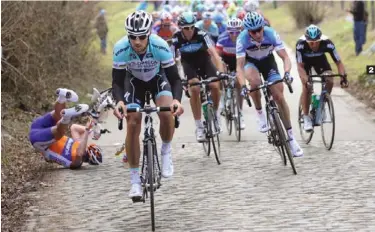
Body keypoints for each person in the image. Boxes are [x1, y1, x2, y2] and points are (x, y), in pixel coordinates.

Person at [112, 10, 184, 199]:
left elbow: (175, 79)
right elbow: (117, 82)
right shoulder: (121, 48)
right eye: (133, 37)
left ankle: (166, 150)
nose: (137, 41)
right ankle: (135, 180)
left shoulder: (160, 46)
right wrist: (119, 102)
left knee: (167, 113)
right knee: (133, 122)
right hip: (133, 81)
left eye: (142, 36)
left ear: (149, 34)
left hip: (157, 79)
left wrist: (177, 100)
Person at [236, 12, 303, 157]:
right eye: (254, 31)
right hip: (251, 63)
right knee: (254, 82)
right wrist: (242, 86)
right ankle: (260, 113)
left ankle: (291, 138)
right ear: (248, 31)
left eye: (260, 29)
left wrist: (286, 73)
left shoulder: (270, 33)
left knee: (279, 96)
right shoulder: (242, 39)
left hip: (268, 62)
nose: (258, 33)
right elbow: (239, 67)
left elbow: (285, 57)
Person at [172, 12, 224, 142]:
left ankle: (216, 116)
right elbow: (172, 59)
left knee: (214, 85)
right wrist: (176, 78)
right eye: (186, 28)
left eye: (191, 27)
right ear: (180, 28)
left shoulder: (201, 34)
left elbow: (214, 54)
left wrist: (220, 72)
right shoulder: (176, 38)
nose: (189, 31)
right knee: (194, 89)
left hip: (204, 62)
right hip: (189, 64)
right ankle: (199, 126)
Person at [29, 88, 103, 169]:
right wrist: (91, 130)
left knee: (59, 131)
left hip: (40, 141)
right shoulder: (79, 144)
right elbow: (74, 128)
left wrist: (87, 131)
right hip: (38, 127)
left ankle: (66, 116)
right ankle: (62, 97)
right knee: (58, 116)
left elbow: (79, 153)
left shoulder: (77, 163)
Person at [296, 24, 349, 131]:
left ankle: (322, 103)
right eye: (311, 43)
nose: (314, 45)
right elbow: (300, 66)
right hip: (305, 63)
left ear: (321, 39)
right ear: (306, 41)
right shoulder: (300, 45)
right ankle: (306, 117)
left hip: (320, 61)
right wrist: (305, 79)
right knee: (307, 87)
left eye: (316, 42)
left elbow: (338, 62)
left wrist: (343, 77)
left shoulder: (327, 43)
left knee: (329, 79)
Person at [216, 17, 246, 130]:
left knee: (239, 84)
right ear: (227, 31)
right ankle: (224, 99)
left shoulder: (244, 38)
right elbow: (217, 56)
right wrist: (221, 69)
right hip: (226, 60)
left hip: (239, 60)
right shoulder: (223, 37)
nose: (234, 34)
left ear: (241, 31)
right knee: (221, 76)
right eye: (231, 32)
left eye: (237, 32)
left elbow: (247, 56)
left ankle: (240, 113)